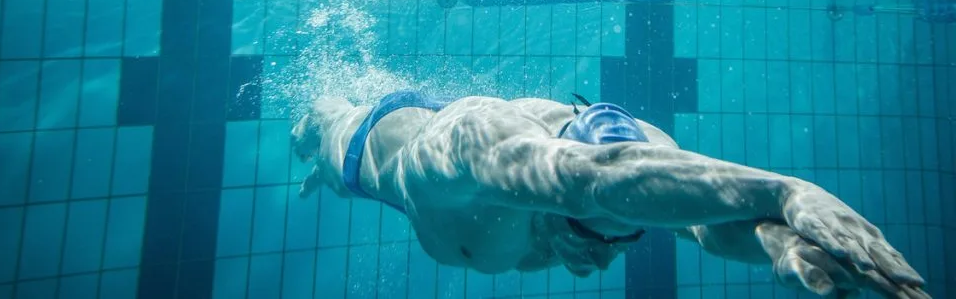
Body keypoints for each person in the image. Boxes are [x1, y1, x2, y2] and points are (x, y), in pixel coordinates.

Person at [291, 91, 930, 298]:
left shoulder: (640, 157)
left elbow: (701, 223)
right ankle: (314, 133)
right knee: (319, 135)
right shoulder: (477, 149)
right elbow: (595, 179)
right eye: (592, 236)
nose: (602, 260)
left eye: (625, 242)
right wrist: (790, 192)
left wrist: (779, 244)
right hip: (368, 147)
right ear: (559, 204)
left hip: (487, 183)